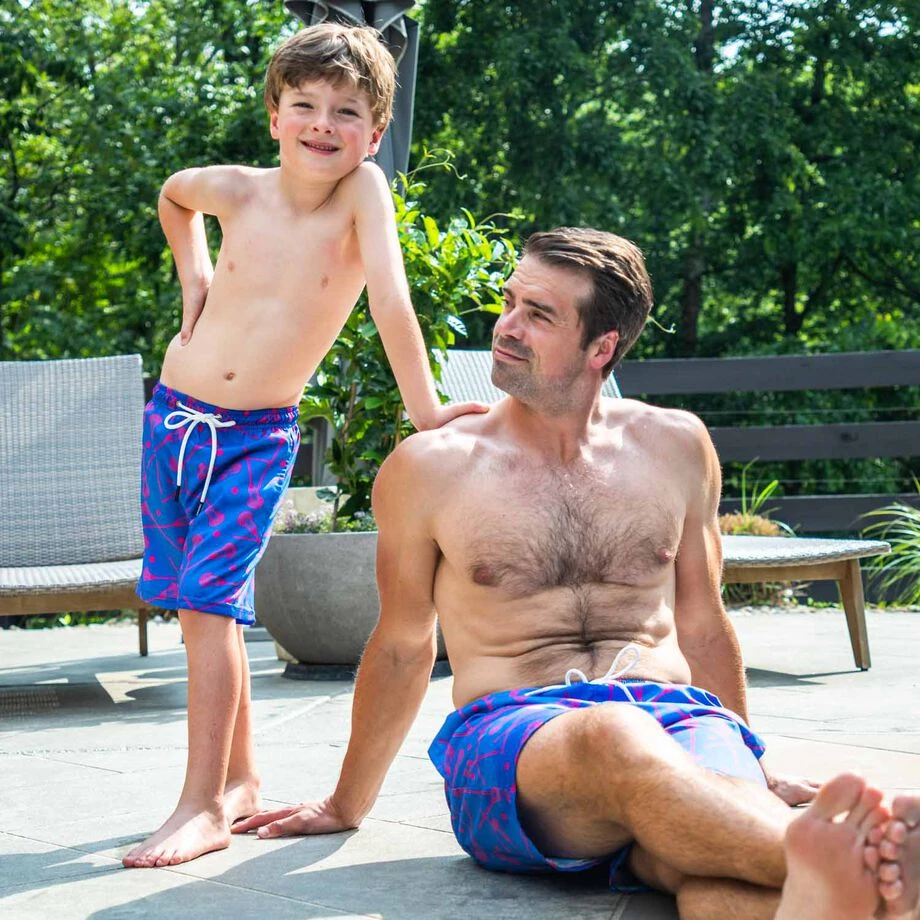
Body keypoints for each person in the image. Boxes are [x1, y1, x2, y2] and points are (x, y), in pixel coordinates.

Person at [234, 227, 918, 918]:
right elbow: (403, 645)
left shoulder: (677, 445)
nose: (507, 326)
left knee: (698, 873)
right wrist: (345, 802)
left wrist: (752, 763)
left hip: (676, 714)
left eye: (539, 315)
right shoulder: (432, 467)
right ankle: (828, 856)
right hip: (511, 736)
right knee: (614, 735)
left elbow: (703, 622)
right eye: (510, 302)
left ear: (602, 348)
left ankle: (868, 899)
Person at [124, 23, 484, 870]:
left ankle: (200, 805)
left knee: (209, 604)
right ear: (275, 115)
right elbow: (173, 195)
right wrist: (195, 276)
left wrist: (427, 412)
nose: (324, 123)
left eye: (347, 112)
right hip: (170, 424)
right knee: (200, 611)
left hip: (254, 439)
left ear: (374, 132)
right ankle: (239, 780)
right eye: (306, 105)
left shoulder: (362, 195)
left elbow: (392, 301)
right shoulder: (238, 190)